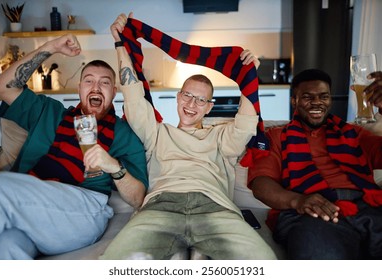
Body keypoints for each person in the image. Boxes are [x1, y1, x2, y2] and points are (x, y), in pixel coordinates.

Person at [99, 13, 277, 260]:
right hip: (160, 208)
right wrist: (120, 44)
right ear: (178, 97)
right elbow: (133, 96)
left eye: (200, 99)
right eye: (187, 96)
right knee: (113, 264)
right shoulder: (157, 132)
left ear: (209, 106)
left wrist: (249, 74)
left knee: (263, 263)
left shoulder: (220, 137)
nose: (192, 104)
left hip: (214, 209)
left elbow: (246, 123)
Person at [0, 34, 148, 259]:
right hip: (33, 201)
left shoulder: (124, 134)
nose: (96, 87)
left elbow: (137, 198)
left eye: (104, 82)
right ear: (79, 88)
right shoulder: (50, 112)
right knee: (3, 248)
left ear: (114, 92)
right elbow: (2, 86)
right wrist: (51, 47)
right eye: (89, 81)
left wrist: (113, 167)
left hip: (82, 208)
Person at [248, 68, 382, 259]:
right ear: (294, 101)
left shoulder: (354, 133)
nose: (317, 102)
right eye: (307, 97)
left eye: (324, 96)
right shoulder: (275, 136)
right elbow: (261, 185)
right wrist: (299, 201)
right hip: (311, 215)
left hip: (369, 208)